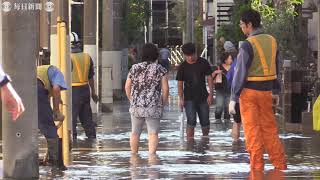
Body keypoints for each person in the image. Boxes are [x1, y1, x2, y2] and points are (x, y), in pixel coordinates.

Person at [229, 9, 287, 170]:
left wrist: (233, 98)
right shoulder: (272, 41)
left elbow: (240, 73)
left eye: (242, 24)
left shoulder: (248, 44)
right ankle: (280, 167)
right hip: (267, 92)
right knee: (270, 130)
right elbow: (277, 68)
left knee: (252, 132)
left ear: (249, 24)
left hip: (249, 93)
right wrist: (276, 91)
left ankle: (257, 170)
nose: (241, 28)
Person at [125, 43, 169, 155]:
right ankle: (152, 157)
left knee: (135, 133)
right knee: (153, 133)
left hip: (136, 105)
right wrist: (163, 103)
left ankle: (134, 157)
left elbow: (127, 86)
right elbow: (165, 89)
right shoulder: (160, 69)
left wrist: (132, 99)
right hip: (153, 105)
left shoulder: (134, 68)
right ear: (156, 54)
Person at [176, 43, 213, 139]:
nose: (190, 58)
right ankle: (190, 142)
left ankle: (205, 140)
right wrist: (180, 99)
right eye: (187, 56)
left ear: (195, 53)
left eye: (192, 55)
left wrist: (211, 94)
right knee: (191, 121)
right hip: (188, 98)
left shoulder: (204, 63)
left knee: (205, 121)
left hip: (203, 97)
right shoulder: (182, 67)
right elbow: (180, 84)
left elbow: (209, 79)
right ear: (184, 55)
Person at [37, 64, 67, 171]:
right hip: (37, 90)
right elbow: (56, 88)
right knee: (50, 129)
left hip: (22, 91)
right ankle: (56, 164)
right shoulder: (57, 72)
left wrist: (57, 101)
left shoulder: (41, 71)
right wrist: (56, 111)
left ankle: (28, 160)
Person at [70, 32, 99, 140]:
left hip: (73, 92)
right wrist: (93, 93)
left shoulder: (67, 58)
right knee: (87, 119)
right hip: (85, 90)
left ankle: (72, 144)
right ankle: (92, 140)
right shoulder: (87, 57)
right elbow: (91, 77)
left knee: (71, 121)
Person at [224, 41, 242, 142]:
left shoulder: (235, 63)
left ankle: (235, 144)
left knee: (236, 122)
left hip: (236, 97)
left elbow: (228, 79)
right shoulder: (248, 62)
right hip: (249, 95)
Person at [212, 52, 233, 123]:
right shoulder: (218, 67)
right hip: (220, 89)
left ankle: (227, 119)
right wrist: (215, 73)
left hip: (230, 89)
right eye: (230, 58)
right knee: (219, 105)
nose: (231, 60)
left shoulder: (233, 67)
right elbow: (210, 78)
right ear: (225, 60)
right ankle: (217, 118)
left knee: (227, 106)